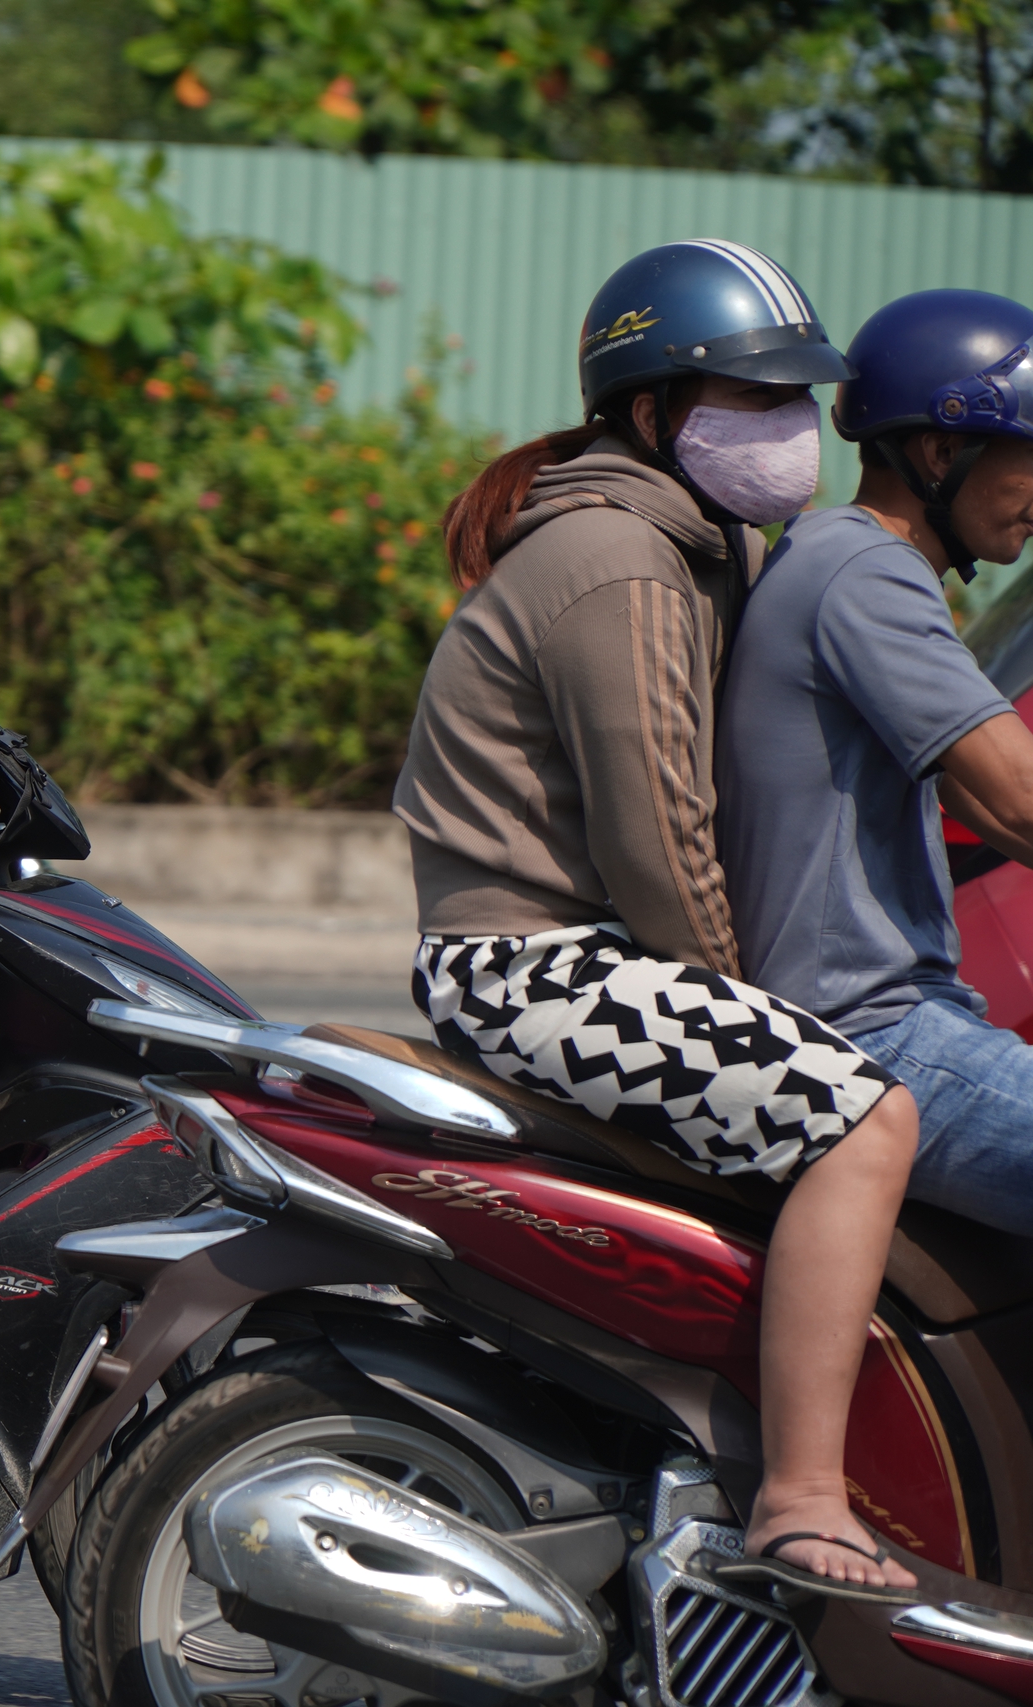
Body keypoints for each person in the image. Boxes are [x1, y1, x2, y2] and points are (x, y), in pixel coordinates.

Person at [393, 240, 920, 1598]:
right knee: (865, 1120)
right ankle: (801, 1499)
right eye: (754, 398)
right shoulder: (620, 554)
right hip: (530, 965)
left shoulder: (700, 540)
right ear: (651, 411)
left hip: (580, 952)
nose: (791, 429)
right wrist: (754, 1005)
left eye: (798, 396)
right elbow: (661, 834)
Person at [719, 290, 1033, 1243]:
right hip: (870, 1035)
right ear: (941, 450)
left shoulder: (829, 556)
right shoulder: (869, 571)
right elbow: (1021, 800)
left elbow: (988, 797)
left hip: (883, 1021)